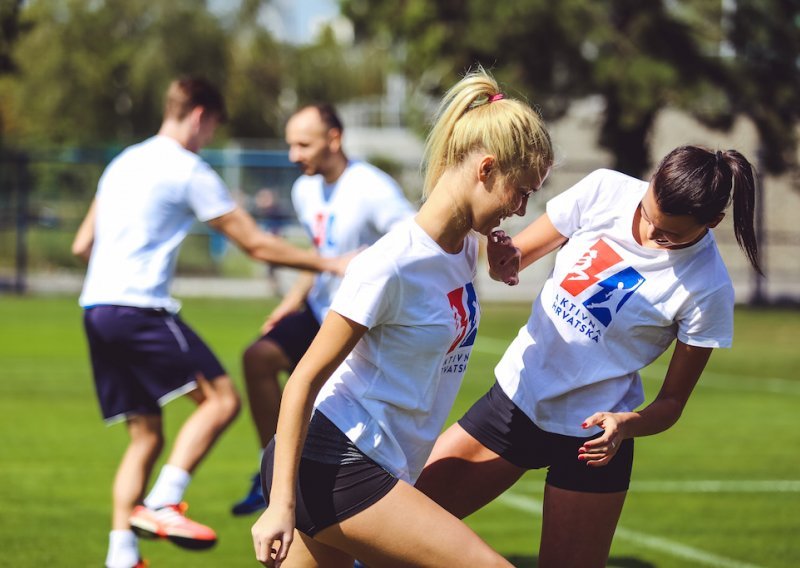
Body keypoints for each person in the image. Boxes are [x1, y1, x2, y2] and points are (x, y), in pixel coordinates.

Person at [250, 67, 553, 567]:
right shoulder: (388, 264)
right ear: (486, 169)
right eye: (521, 191)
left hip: (373, 465)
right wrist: (279, 505)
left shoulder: (463, 247)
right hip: (336, 461)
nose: (521, 208)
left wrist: (501, 251)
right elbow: (303, 379)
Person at [414, 145, 762, 568]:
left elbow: (672, 404)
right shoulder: (605, 189)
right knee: (392, 522)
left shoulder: (708, 288)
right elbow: (515, 259)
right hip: (514, 402)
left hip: (595, 442)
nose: (650, 233)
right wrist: (504, 259)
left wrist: (625, 424)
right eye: (647, 214)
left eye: (668, 234)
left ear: (713, 223)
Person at [71, 77, 349, 568]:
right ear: (200, 116)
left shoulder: (122, 162)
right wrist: (331, 263)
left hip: (95, 308)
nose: (208, 140)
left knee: (147, 436)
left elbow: (81, 245)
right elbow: (256, 244)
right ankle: (162, 501)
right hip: (137, 307)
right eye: (212, 129)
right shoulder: (187, 169)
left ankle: (121, 555)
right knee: (222, 400)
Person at [232, 103, 415, 516]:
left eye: (304, 144)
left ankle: (367, 511)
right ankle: (274, 471)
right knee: (257, 358)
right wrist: (291, 301)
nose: (294, 155)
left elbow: (413, 243)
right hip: (318, 310)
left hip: (357, 323)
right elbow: (323, 254)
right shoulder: (304, 189)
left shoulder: (372, 187)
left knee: (333, 414)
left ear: (334, 138)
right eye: (290, 144)